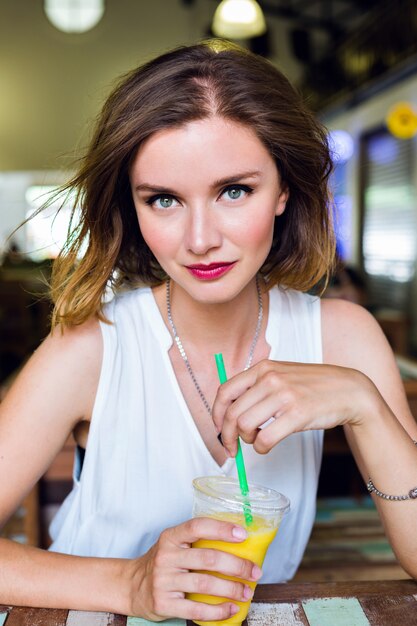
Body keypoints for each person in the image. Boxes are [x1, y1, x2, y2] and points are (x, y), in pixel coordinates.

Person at [0, 39, 416, 622]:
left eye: (234, 190)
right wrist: (128, 583)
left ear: (285, 190)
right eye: (164, 199)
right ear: (135, 207)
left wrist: (365, 406)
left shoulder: (344, 337)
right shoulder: (93, 348)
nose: (199, 239)